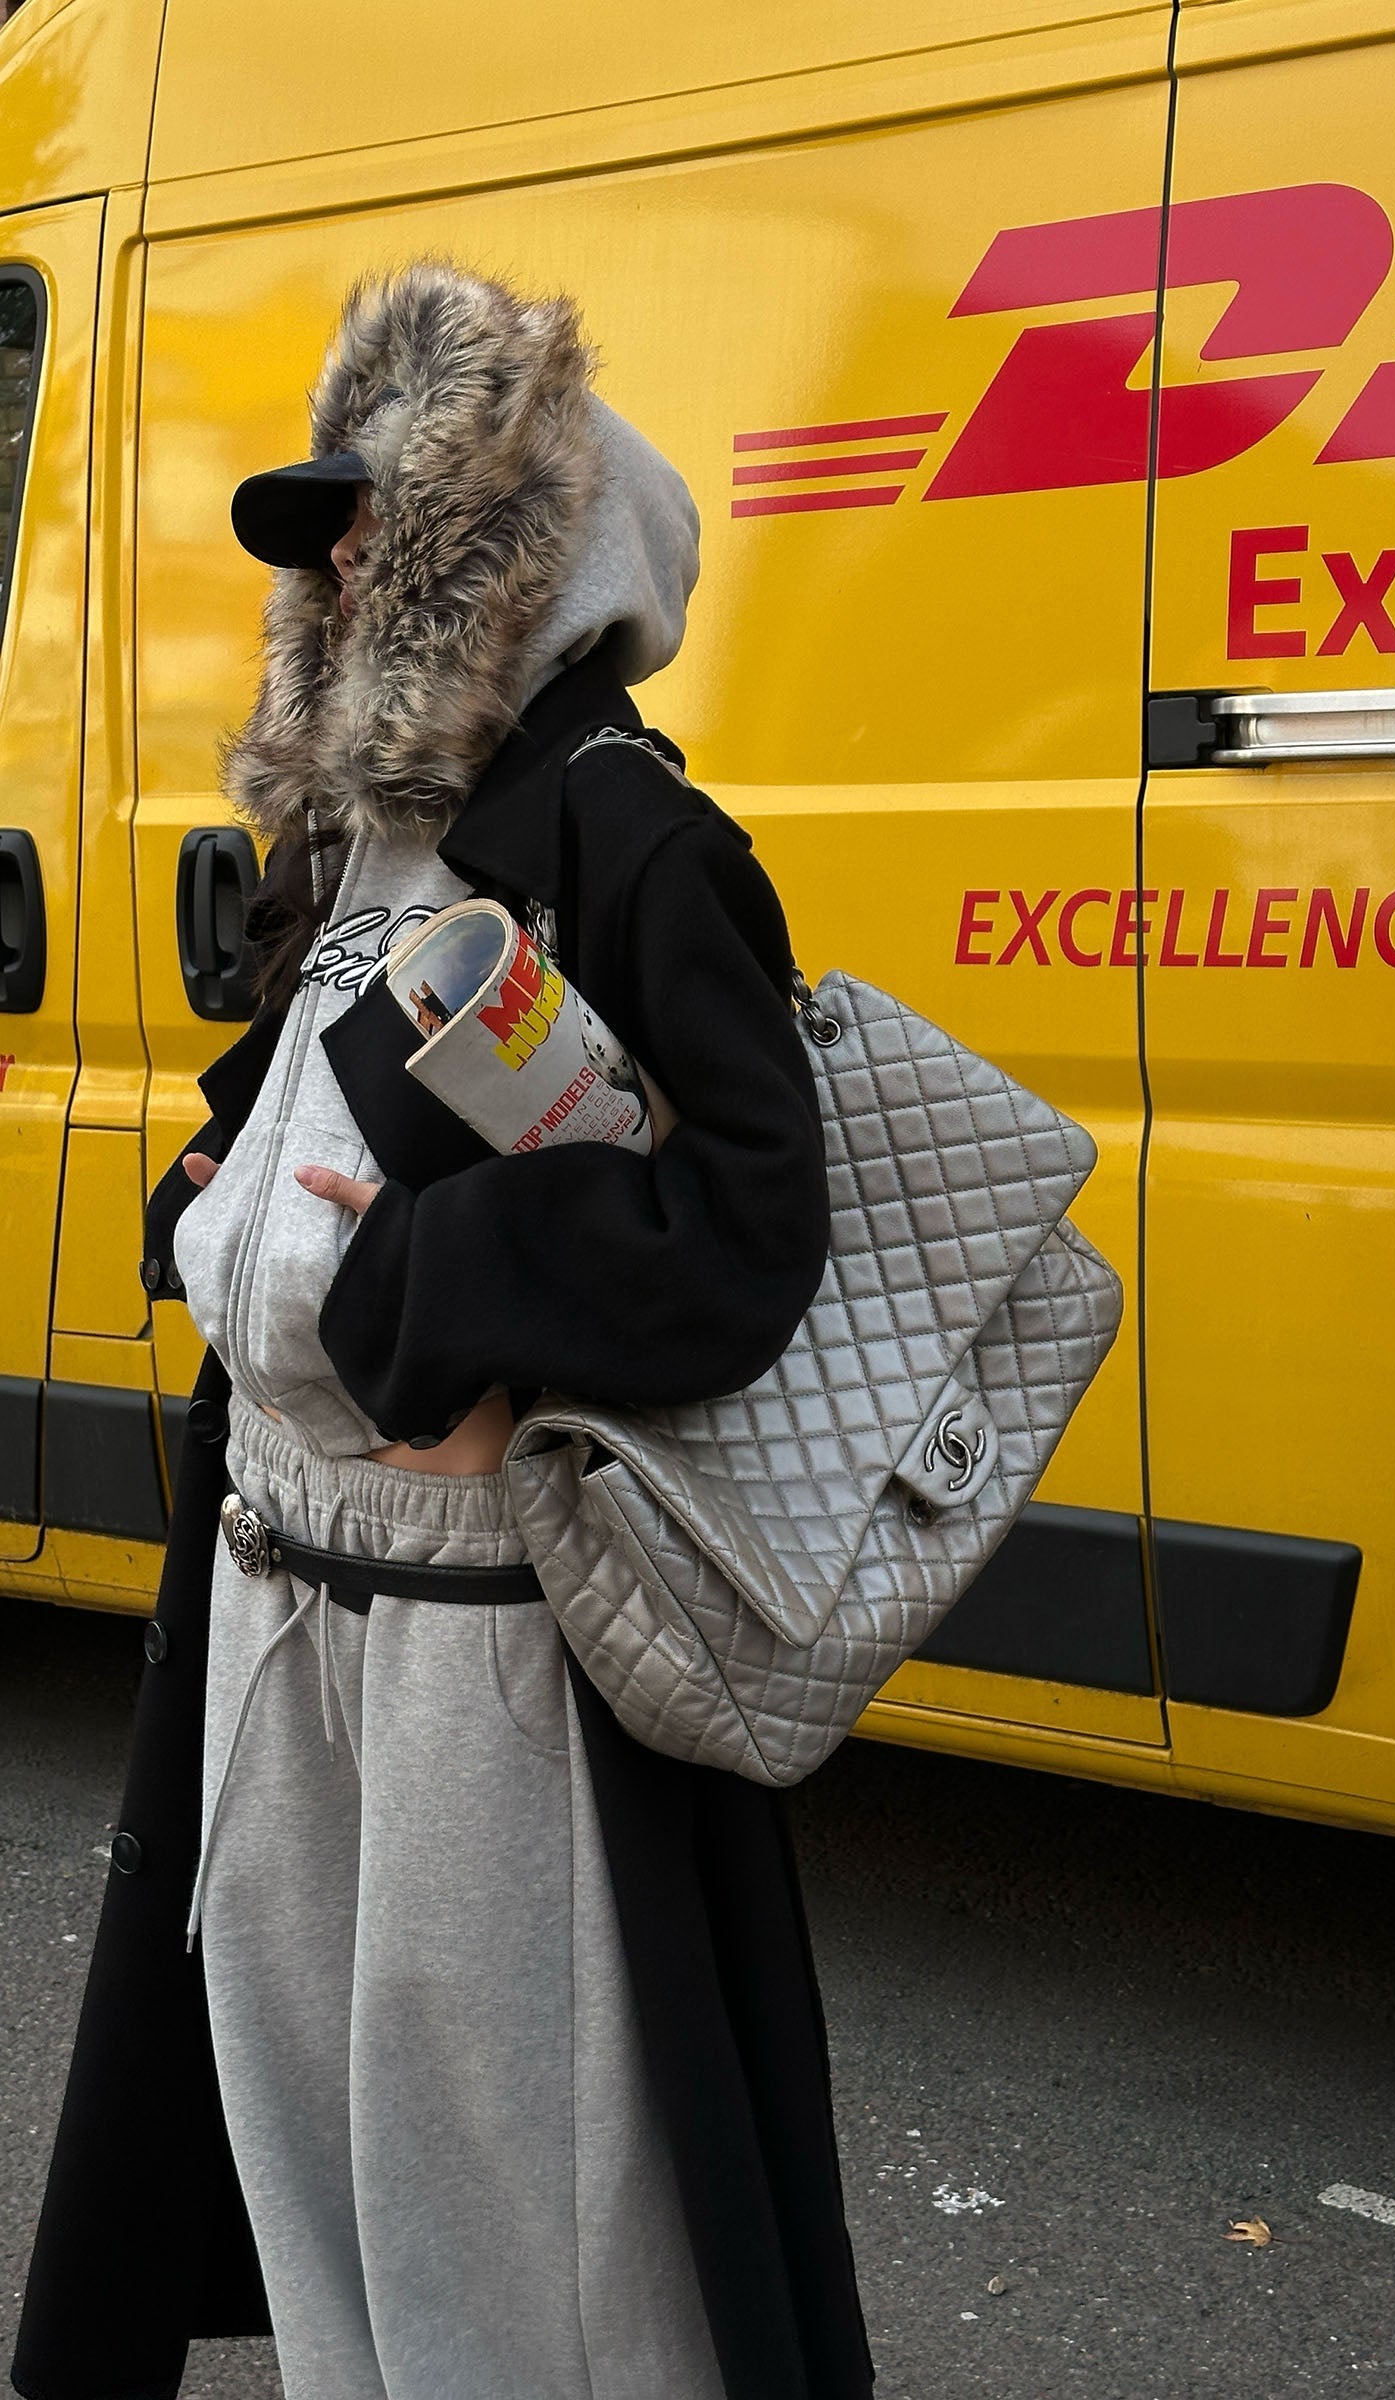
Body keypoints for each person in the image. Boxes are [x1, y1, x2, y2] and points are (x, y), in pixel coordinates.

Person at [13, 262, 872, 2400]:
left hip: (479, 1619)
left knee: (500, 2188)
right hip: (272, 1578)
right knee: (299, 2129)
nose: (344, 569)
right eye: (330, 542)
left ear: (515, 556)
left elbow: (747, 1228)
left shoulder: (638, 837)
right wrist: (207, 1202)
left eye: (380, 527)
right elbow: (287, 1100)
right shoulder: (361, 842)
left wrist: (443, 1299)